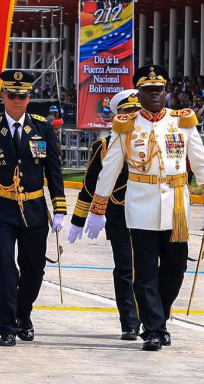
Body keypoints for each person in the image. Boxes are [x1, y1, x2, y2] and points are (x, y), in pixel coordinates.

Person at [83, 65, 204, 351]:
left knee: (175, 269)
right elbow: (109, 169)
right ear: (140, 93)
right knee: (144, 273)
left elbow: (202, 162)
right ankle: (155, 330)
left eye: (159, 89)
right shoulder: (127, 125)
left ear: (166, 92)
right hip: (140, 208)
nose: (155, 95)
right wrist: (97, 209)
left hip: (176, 209)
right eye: (148, 90)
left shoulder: (183, 122)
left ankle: (159, 315)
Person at [0, 69, 66, 347]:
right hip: (1, 208)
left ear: (29, 97)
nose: (17, 101)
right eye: (11, 96)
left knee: (34, 269)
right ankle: (7, 327)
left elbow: (54, 169)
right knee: (4, 269)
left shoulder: (41, 126)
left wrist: (59, 207)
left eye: (22, 96)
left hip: (34, 206)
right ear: (3, 97)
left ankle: (24, 314)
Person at [68, 88, 140, 340]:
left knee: (150, 267)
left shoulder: (155, 140)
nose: (132, 117)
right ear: (117, 116)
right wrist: (79, 219)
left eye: (136, 112)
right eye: (127, 112)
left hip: (151, 212)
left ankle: (153, 319)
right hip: (118, 213)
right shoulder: (104, 145)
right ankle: (130, 322)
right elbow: (90, 183)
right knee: (125, 267)